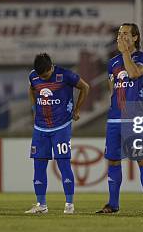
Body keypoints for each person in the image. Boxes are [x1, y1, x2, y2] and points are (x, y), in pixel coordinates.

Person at [96, 23, 143, 214]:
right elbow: (111, 88)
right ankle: (113, 204)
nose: (121, 37)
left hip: (133, 119)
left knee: (142, 160)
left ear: (136, 37)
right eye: (120, 34)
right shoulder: (112, 63)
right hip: (114, 119)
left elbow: (133, 73)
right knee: (113, 161)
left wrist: (125, 53)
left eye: (126, 34)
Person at [24, 53, 90, 214]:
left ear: (51, 67)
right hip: (40, 128)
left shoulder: (65, 75)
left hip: (61, 126)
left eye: (45, 75)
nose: (43, 78)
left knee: (63, 163)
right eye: (41, 76)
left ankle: (69, 204)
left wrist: (77, 109)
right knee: (38, 165)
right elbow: (31, 90)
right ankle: (41, 205)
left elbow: (85, 87)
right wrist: (34, 110)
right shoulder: (34, 76)